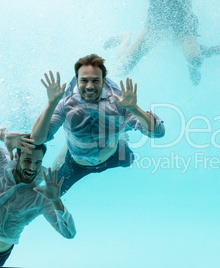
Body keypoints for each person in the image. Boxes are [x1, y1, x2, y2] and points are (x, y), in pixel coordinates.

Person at [31, 54, 165, 195]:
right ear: (77, 80)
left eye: (95, 81)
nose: (89, 86)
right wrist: (51, 104)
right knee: (53, 193)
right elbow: (37, 139)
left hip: (114, 155)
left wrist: (134, 109)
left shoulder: (118, 103)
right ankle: (78, 139)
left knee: (129, 159)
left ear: (103, 81)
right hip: (77, 164)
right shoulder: (65, 104)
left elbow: (159, 132)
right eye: (84, 80)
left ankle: (121, 133)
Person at [0, 131, 76, 267]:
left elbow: (69, 233)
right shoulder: (3, 161)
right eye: (28, 161)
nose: (32, 168)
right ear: (17, 156)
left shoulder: (41, 195)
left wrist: (56, 200)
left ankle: (69, 143)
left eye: (37, 162)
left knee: (59, 170)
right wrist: (3, 135)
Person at [104, 0, 203, 86]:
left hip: (181, 28)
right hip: (155, 27)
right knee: (120, 68)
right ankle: (125, 37)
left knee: (196, 61)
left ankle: (191, 66)